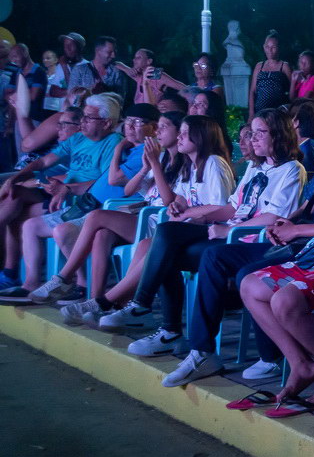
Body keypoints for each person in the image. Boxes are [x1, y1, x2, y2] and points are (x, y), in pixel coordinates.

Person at [167, 97, 314, 384]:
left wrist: (294, 230)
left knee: (246, 273)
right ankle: (201, 350)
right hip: (298, 239)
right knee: (213, 256)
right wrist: (286, 223)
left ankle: (278, 358)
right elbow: (305, 208)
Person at [88, 115, 236, 331]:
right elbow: (181, 199)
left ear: (201, 137)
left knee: (161, 237)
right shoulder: (191, 165)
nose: (180, 137)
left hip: (212, 231)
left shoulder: (213, 162)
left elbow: (221, 207)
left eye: (185, 133)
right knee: (147, 244)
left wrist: (187, 212)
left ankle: (107, 302)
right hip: (190, 228)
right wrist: (179, 206)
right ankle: (127, 306)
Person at [33, 112, 184, 311]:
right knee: (102, 235)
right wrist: (145, 168)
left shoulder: (180, 162)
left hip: (159, 223)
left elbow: (167, 201)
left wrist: (153, 165)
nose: (158, 131)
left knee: (97, 216)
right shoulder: (160, 157)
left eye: (164, 127)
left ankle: (65, 277)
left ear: (179, 131)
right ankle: (95, 302)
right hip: (145, 218)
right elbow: (130, 189)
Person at [0, 94, 123, 291]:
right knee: (15, 196)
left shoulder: (115, 142)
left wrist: (67, 188)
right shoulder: (78, 139)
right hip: (61, 195)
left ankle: (13, 274)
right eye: (82, 116)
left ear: (107, 123)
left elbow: (105, 182)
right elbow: (43, 162)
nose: (82, 122)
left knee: (17, 209)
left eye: (88, 118)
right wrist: (16, 178)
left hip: (84, 203)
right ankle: (29, 284)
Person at [249, 30, 292, 117]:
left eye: (273, 47)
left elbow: (293, 89)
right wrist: (251, 113)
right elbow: (252, 91)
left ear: (279, 48)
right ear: (264, 47)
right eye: (267, 47)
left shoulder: (284, 66)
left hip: (278, 112)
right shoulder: (259, 66)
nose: (270, 50)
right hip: (259, 111)